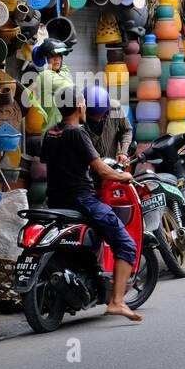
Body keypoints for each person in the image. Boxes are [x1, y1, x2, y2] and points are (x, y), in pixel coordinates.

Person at [40, 87, 143, 322]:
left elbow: (50, 163)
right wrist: (123, 177)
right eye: (84, 104)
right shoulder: (78, 132)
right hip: (82, 200)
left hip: (56, 200)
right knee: (125, 242)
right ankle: (117, 302)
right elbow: (99, 169)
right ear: (79, 107)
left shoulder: (51, 133)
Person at [30, 39, 75, 133]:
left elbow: (62, 65)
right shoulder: (45, 76)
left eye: (59, 55)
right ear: (43, 60)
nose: (57, 58)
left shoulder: (62, 71)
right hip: (53, 135)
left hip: (64, 132)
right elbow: (71, 91)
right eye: (52, 56)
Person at [83, 84, 132, 163]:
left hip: (113, 164)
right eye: (93, 117)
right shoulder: (78, 119)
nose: (99, 120)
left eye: (101, 116)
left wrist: (123, 152)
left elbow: (127, 130)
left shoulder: (115, 108)